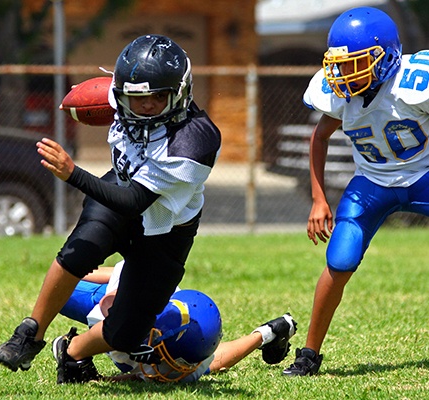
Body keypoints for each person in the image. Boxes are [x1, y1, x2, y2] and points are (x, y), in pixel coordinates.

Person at [0, 34, 222, 374]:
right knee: (79, 249)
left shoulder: (194, 140)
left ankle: (71, 352)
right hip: (120, 188)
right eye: (136, 97)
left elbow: (135, 202)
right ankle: (30, 333)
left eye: (158, 97)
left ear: (180, 93)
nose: (145, 105)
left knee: (127, 332)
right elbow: (102, 100)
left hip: (164, 225)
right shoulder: (120, 98)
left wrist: (73, 174)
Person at [283, 6, 429, 376]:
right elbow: (319, 137)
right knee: (341, 259)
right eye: (340, 65)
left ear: (387, 57)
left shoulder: (415, 83)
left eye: (357, 63)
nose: (345, 74)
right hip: (372, 183)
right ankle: (309, 355)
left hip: (423, 173)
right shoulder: (340, 94)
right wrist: (319, 198)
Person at [55, 260, 298, 383]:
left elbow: (214, 361)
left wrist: (264, 334)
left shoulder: (194, 352)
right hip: (112, 294)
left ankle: (272, 332)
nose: (173, 370)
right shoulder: (137, 304)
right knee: (61, 289)